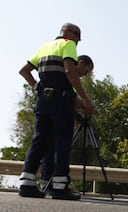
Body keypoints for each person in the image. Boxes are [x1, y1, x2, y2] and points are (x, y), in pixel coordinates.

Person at [18, 23, 94, 200]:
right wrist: (85, 99)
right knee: (61, 142)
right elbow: (69, 70)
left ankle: (27, 183)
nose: (78, 40)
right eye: (77, 35)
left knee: (39, 140)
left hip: (43, 101)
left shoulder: (44, 47)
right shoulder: (68, 45)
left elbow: (24, 71)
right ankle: (60, 186)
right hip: (61, 101)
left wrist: (38, 87)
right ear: (67, 33)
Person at [39, 55, 95, 191]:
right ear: (80, 62)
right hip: (58, 115)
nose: (84, 75)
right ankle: (58, 183)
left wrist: (76, 114)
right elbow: (65, 98)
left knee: (51, 148)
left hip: (50, 111)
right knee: (59, 148)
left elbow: (67, 99)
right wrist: (85, 103)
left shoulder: (63, 74)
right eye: (85, 71)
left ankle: (46, 182)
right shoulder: (68, 75)